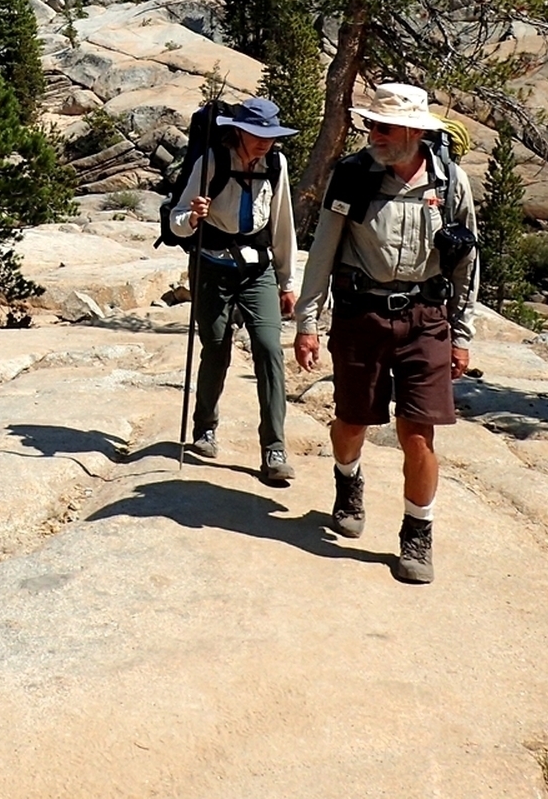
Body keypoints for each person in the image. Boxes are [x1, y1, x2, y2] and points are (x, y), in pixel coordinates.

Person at [293, 82, 478, 584]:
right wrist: (307, 322)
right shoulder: (351, 177)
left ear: (415, 132)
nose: (373, 133)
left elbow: (466, 258)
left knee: (418, 433)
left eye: (385, 126)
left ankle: (418, 534)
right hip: (362, 318)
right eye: (371, 124)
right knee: (353, 423)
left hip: (426, 319)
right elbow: (324, 251)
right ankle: (347, 477)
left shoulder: (450, 181)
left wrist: (461, 332)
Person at [167, 96, 300, 487]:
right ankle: (205, 426)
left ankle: (274, 447)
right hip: (211, 267)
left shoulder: (276, 164)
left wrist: (287, 281)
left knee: (270, 348)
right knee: (216, 346)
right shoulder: (211, 160)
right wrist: (193, 216)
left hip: (257, 270)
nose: (265, 143)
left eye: (271, 136)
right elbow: (177, 221)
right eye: (258, 135)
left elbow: (283, 225)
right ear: (238, 131)